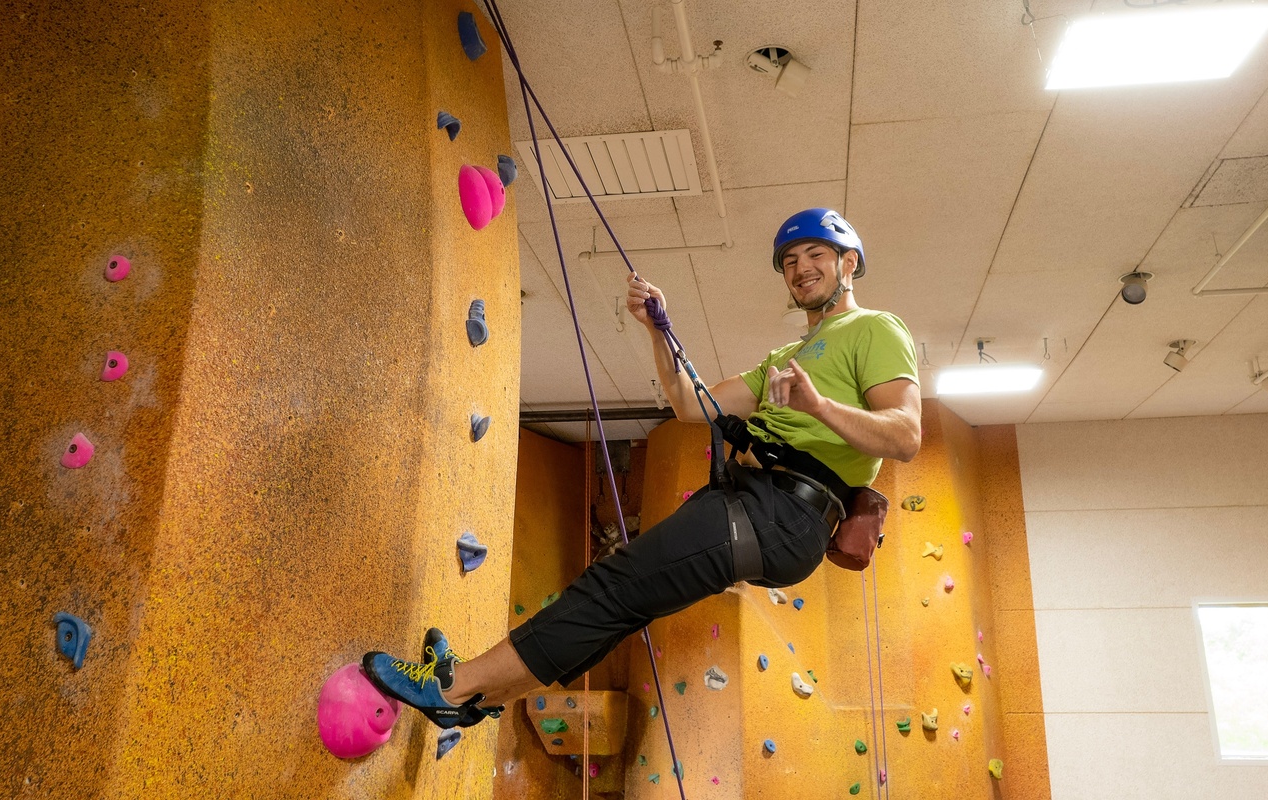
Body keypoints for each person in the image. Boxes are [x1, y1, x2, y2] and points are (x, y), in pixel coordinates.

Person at [360, 208, 921, 730]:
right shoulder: (781, 360)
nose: (801, 270)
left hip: (785, 514)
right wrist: (658, 331)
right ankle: (479, 698)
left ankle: (453, 687)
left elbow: (905, 434)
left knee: (615, 583)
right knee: (622, 602)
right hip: (756, 504)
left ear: (849, 263)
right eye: (790, 261)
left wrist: (820, 408)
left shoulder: (875, 329)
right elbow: (690, 405)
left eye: (816, 255)